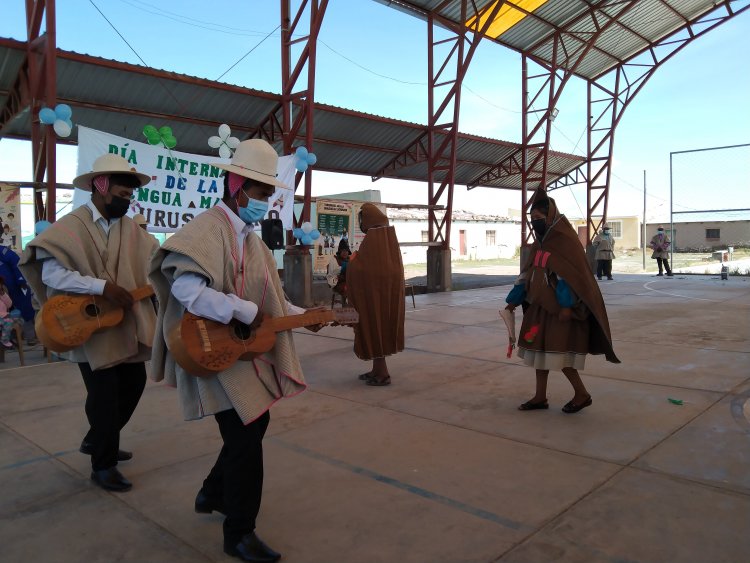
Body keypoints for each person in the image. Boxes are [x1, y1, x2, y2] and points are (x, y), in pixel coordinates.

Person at [150, 139, 319, 563]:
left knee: (252, 428)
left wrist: (305, 315)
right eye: (261, 194)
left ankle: (212, 491)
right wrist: (239, 309)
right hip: (213, 348)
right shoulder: (206, 230)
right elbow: (187, 289)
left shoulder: (252, 239)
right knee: (247, 440)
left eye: (269, 196)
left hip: (240, 352)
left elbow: (271, 304)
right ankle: (239, 533)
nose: (265, 204)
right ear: (237, 184)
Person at [19, 153, 158, 492]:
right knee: (104, 395)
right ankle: (103, 465)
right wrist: (102, 287)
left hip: (123, 322)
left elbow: (156, 263)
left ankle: (99, 438)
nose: (126, 202)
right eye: (121, 196)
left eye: (130, 197)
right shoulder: (70, 227)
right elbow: (53, 273)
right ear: (100, 186)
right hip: (88, 327)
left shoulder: (133, 231)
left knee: (134, 384)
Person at [504, 188, 619, 414]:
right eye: (532, 219)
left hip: (560, 311)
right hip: (539, 309)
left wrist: (566, 306)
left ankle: (582, 394)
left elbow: (568, 278)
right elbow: (527, 276)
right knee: (539, 354)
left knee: (561, 354)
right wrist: (512, 302)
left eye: (538, 218)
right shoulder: (540, 243)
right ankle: (540, 397)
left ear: (550, 217)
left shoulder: (565, 242)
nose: (534, 223)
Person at [346, 203, 405, 386]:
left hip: (373, 297)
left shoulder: (375, 239)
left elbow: (363, 268)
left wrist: (351, 261)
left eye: (362, 220)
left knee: (375, 329)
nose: (361, 224)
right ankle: (377, 369)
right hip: (384, 295)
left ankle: (382, 374)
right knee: (378, 330)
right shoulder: (388, 238)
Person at [0, 244, 36, 344]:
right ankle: (9, 338)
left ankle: (30, 337)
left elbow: (16, 265)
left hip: (14, 286)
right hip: (2, 291)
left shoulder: (4, 251)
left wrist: (21, 281)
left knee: (25, 309)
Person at [327, 238, 350, 305]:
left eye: (346, 251)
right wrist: (343, 268)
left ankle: (353, 309)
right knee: (348, 290)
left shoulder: (350, 259)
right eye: (343, 251)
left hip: (349, 282)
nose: (345, 253)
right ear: (340, 252)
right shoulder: (334, 260)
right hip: (338, 283)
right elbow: (333, 273)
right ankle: (345, 308)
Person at [0, 276, 15, 349]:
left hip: (4, 316)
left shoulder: (2, 294)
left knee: (8, 321)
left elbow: (9, 305)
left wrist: (3, 295)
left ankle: (5, 340)